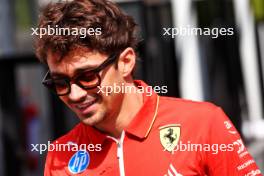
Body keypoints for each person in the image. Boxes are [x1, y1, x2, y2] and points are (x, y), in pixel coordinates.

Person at [35, 0, 262, 175]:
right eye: (60, 82)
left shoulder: (203, 124)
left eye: (87, 76)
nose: (74, 94)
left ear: (125, 62)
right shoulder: (61, 154)